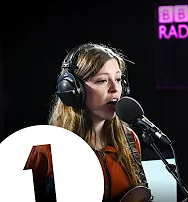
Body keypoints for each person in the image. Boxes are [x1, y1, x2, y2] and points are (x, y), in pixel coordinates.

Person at [24, 42, 152, 202]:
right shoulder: (44, 150)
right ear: (72, 90)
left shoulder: (129, 140)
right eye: (102, 81)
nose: (115, 88)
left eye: (118, 79)